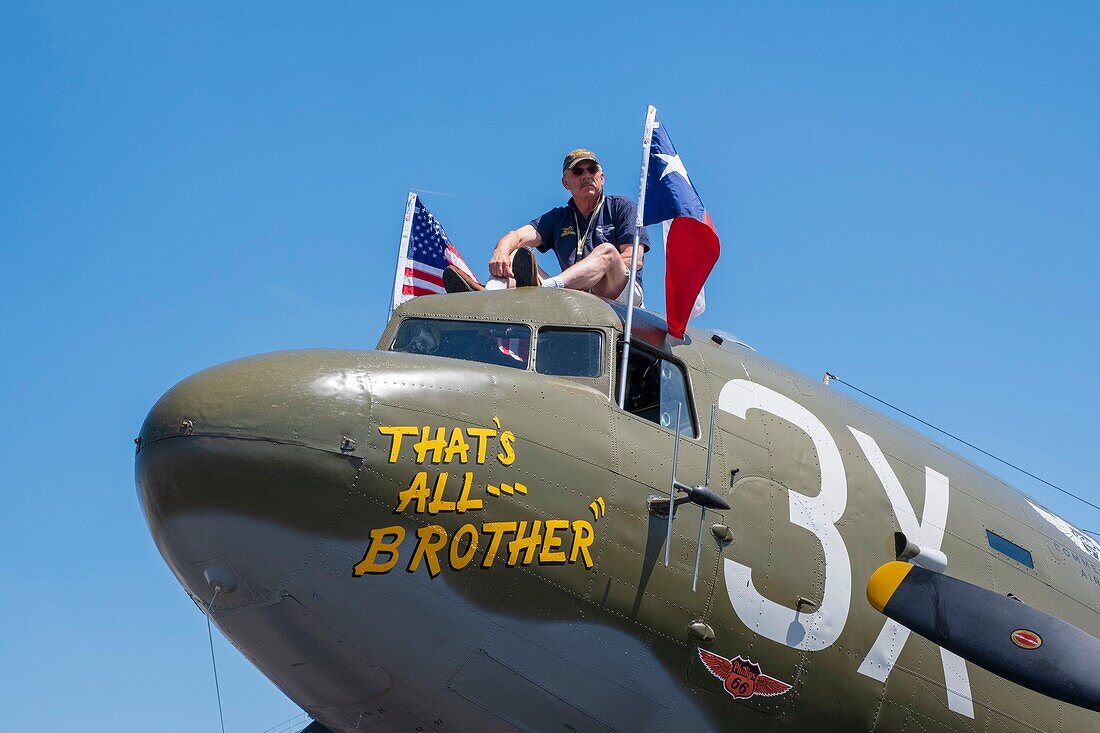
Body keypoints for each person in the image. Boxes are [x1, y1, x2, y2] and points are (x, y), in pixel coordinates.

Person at [443, 149, 649, 305]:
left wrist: (593, 272)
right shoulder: (559, 217)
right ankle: (485, 300)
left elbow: (634, 259)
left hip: (619, 291)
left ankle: (545, 287)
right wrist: (501, 251)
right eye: (578, 171)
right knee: (515, 253)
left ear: (601, 178)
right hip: (571, 291)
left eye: (591, 169)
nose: (586, 175)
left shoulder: (621, 207)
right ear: (566, 182)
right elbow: (516, 235)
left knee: (607, 252)